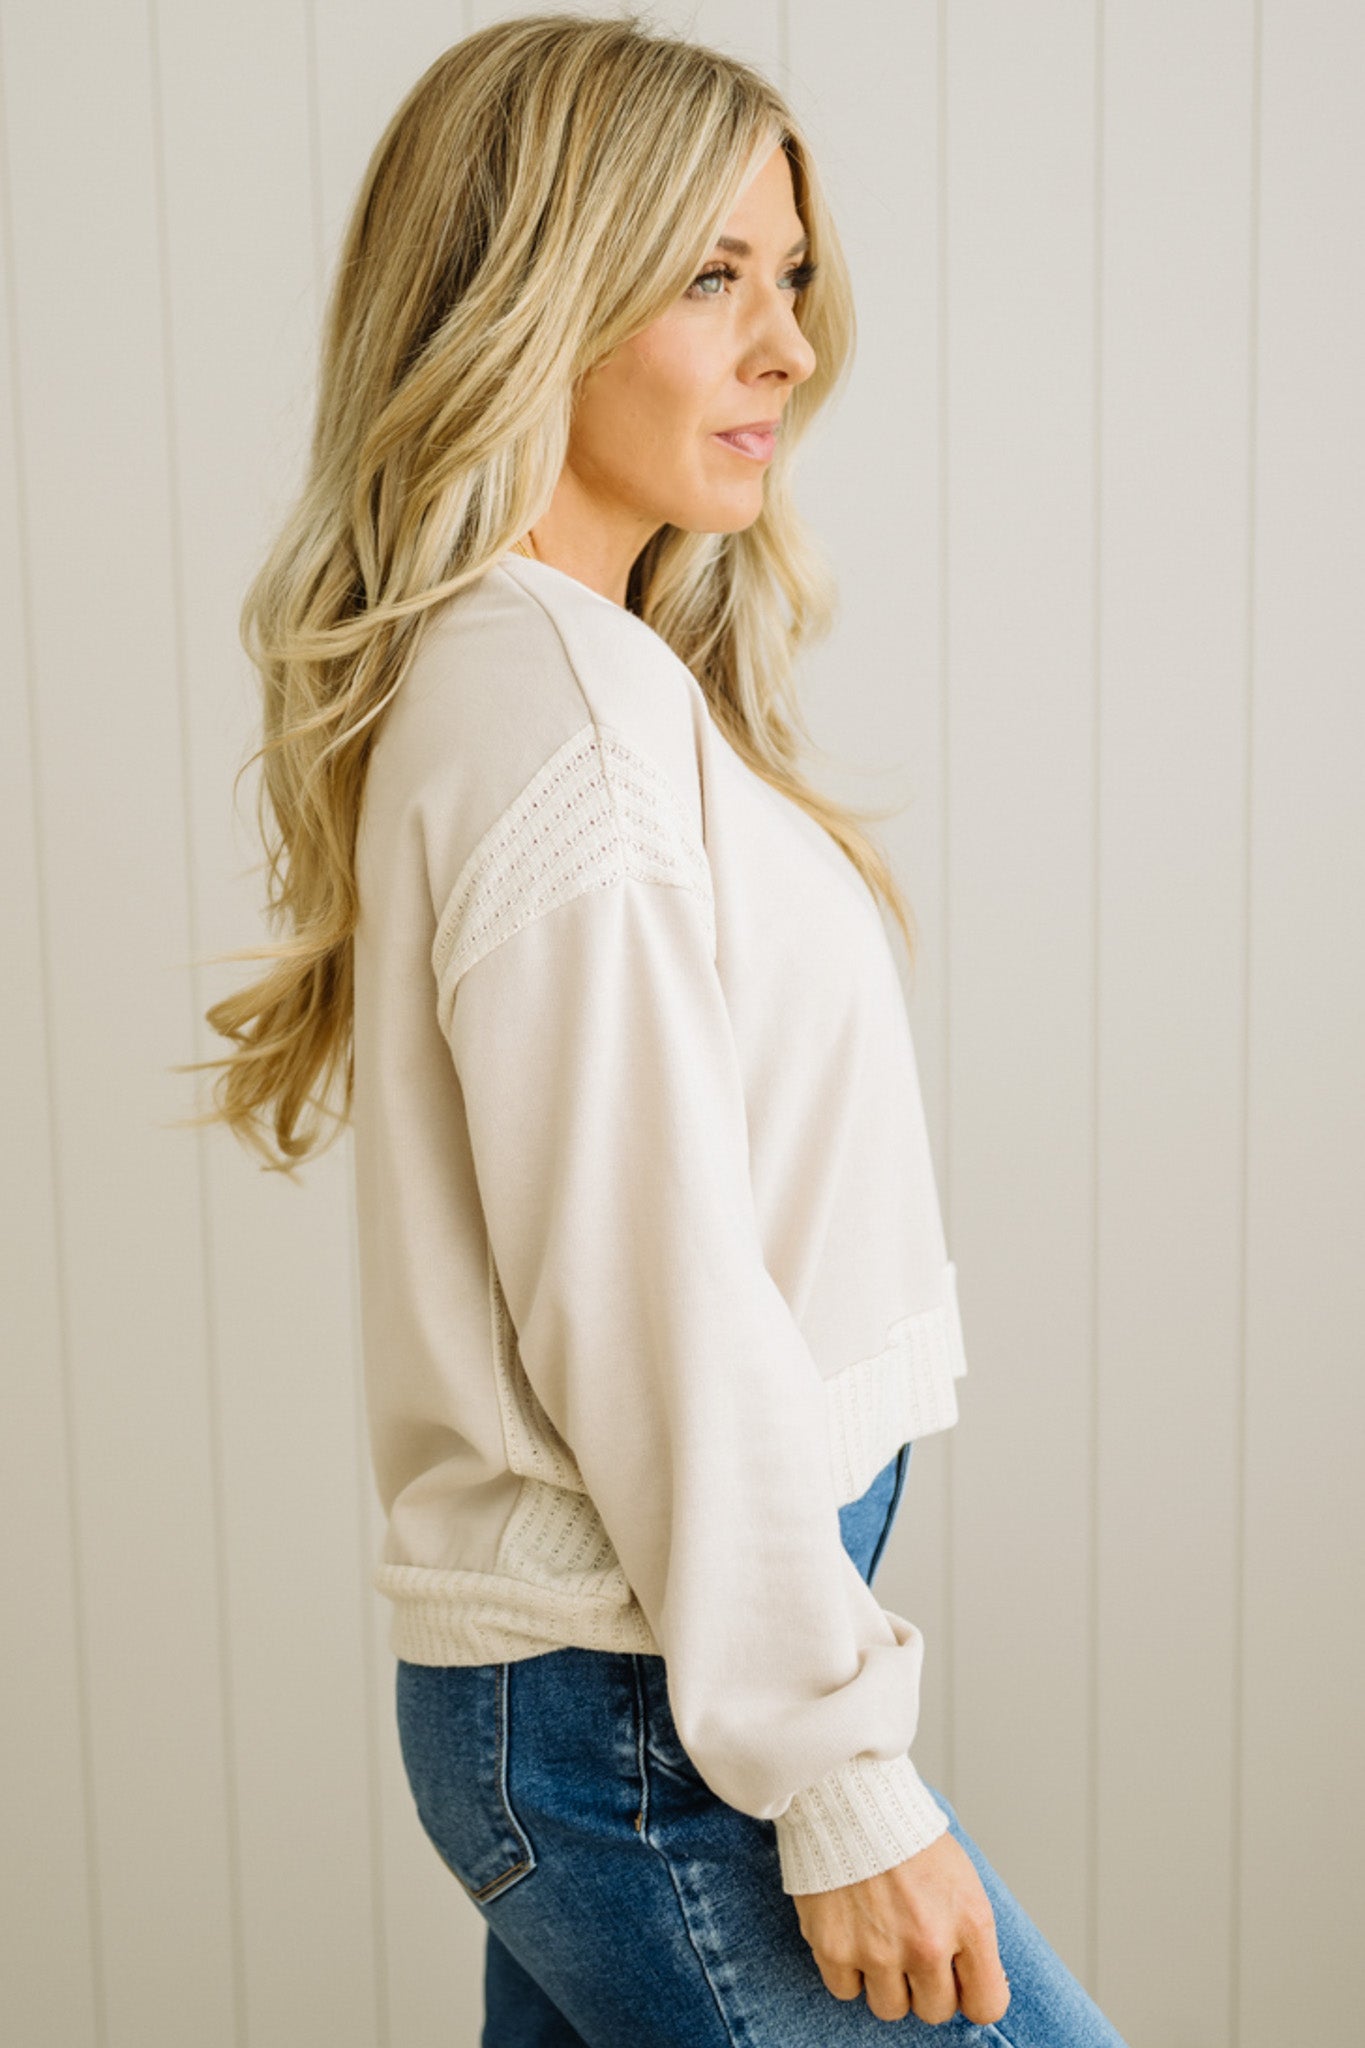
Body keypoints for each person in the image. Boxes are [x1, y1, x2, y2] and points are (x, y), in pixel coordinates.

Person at [193, 12, 1130, 2043]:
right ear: (526, 296)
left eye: (787, 275)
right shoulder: (558, 711)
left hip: (625, 1688)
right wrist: (835, 1762)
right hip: (651, 1715)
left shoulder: (560, 674)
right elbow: (649, 1290)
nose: (785, 342)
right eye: (710, 274)